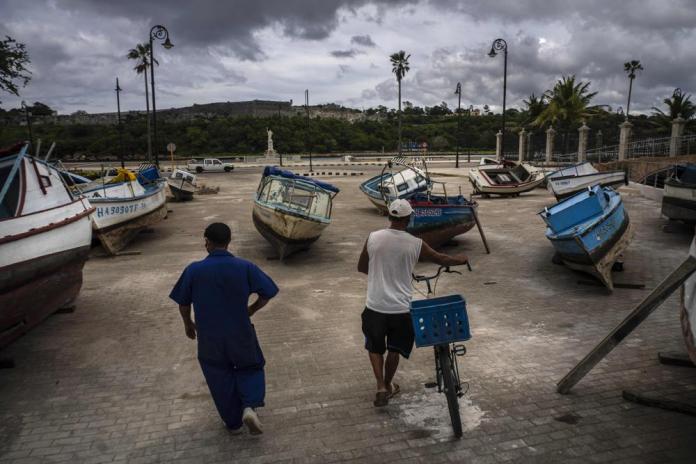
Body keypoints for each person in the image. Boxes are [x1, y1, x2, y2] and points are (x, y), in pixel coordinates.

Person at [357, 199, 469, 407]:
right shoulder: (415, 243)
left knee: (374, 347)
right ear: (408, 219)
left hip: (375, 305)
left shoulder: (373, 237)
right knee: (395, 349)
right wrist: (460, 260)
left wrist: (380, 273)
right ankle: (389, 384)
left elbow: (362, 267)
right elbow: (440, 258)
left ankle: (381, 386)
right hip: (400, 309)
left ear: (390, 217)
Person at [169, 223, 279, 434]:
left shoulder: (194, 270)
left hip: (209, 336)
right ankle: (249, 406)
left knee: (218, 374)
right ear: (229, 242)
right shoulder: (245, 267)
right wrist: (252, 309)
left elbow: (183, 304)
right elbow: (268, 292)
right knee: (250, 366)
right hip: (240, 332)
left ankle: (232, 421)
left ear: (207, 243)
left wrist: (188, 325)